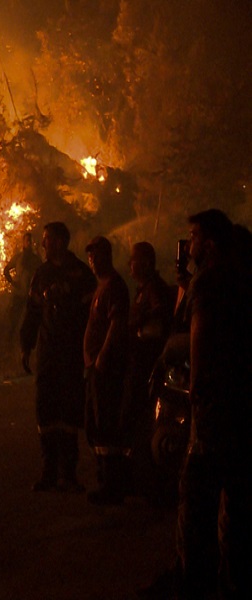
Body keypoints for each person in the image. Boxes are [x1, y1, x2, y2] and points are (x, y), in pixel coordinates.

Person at [174, 209, 251, 599]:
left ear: (211, 241)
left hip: (215, 414)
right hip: (242, 410)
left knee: (197, 505)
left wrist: (196, 393)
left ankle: (196, 587)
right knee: (236, 510)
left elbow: (201, 346)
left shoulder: (210, 283)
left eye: (194, 235)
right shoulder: (241, 277)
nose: (189, 244)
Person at [20, 222, 97, 492]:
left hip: (72, 353)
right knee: (46, 409)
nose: (44, 245)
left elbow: (93, 317)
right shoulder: (41, 274)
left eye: (48, 240)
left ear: (62, 242)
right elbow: (32, 311)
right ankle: (49, 471)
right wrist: (26, 345)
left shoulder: (81, 275)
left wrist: (91, 352)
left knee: (69, 411)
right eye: (44, 240)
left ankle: (69, 473)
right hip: (48, 351)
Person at [83, 236, 131, 505]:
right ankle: (105, 480)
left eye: (97, 256)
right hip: (94, 366)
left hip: (106, 367)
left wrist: (102, 355)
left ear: (107, 256)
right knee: (95, 422)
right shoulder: (100, 286)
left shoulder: (114, 286)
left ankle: (112, 485)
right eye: (90, 256)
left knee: (106, 423)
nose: (93, 261)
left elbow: (116, 324)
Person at [125, 241, 173, 499]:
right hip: (140, 360)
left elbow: (159, 315)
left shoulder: (154, 290)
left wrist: (140, 321)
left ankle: (150, 483)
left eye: (133, 260)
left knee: (144, 419)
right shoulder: (143, 289)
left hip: (148, 363)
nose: (129, 265)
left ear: (145, 263)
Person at [4, 232, 42, 340]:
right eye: (27, 241)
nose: (29, 243)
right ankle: (9, 343)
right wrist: (12, 282)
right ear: (23, 243)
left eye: (31, 241)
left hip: (31, 295)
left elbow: (43, 273)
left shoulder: (36, 259)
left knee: (29, 322)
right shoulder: (18, 258)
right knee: (13, 321)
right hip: (18, 294)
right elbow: (6, 270)